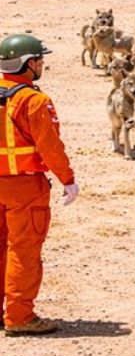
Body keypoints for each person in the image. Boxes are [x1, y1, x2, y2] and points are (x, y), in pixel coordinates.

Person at [0, 33, 78, 335]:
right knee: (23, 250)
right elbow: (50, 147)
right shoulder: (33, 101)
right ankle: (19, 316)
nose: (42, 64)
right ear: (27, 63)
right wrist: (67, 179)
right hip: (25, 187)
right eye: (39, 59)